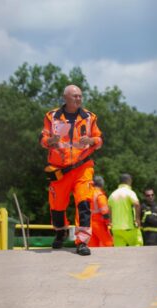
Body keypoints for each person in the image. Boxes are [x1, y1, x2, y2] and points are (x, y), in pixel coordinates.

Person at [40, 85, 103, 256]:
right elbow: (42, 139)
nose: (79, 99)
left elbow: (99, 139)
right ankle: (60, 232)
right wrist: (51, 140)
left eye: (80, 96)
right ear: (65, 98)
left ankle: (82, 241)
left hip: (83, 167)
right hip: (60, 170)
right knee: (57, 206)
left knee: (84, 202)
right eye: (75, 96)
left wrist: (90, 140)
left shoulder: (89, 117)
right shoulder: (52, 117)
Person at [108, 173, 143, 247]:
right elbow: (136, 204)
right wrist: (137, 219)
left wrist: (111, 223)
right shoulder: (129, 192)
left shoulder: (112, 194)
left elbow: (109, 210)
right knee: (137, 246)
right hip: (129, 227)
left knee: (119, 251)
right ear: (129, 181)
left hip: (116, 229)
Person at [87, 176, 113, 247]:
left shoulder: (88, 194)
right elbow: (104, 211)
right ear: (102, 184)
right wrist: (108, 222)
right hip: (99, 224)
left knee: (93, 245)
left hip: (89, 223)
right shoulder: (100, 195)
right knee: (108, 243)